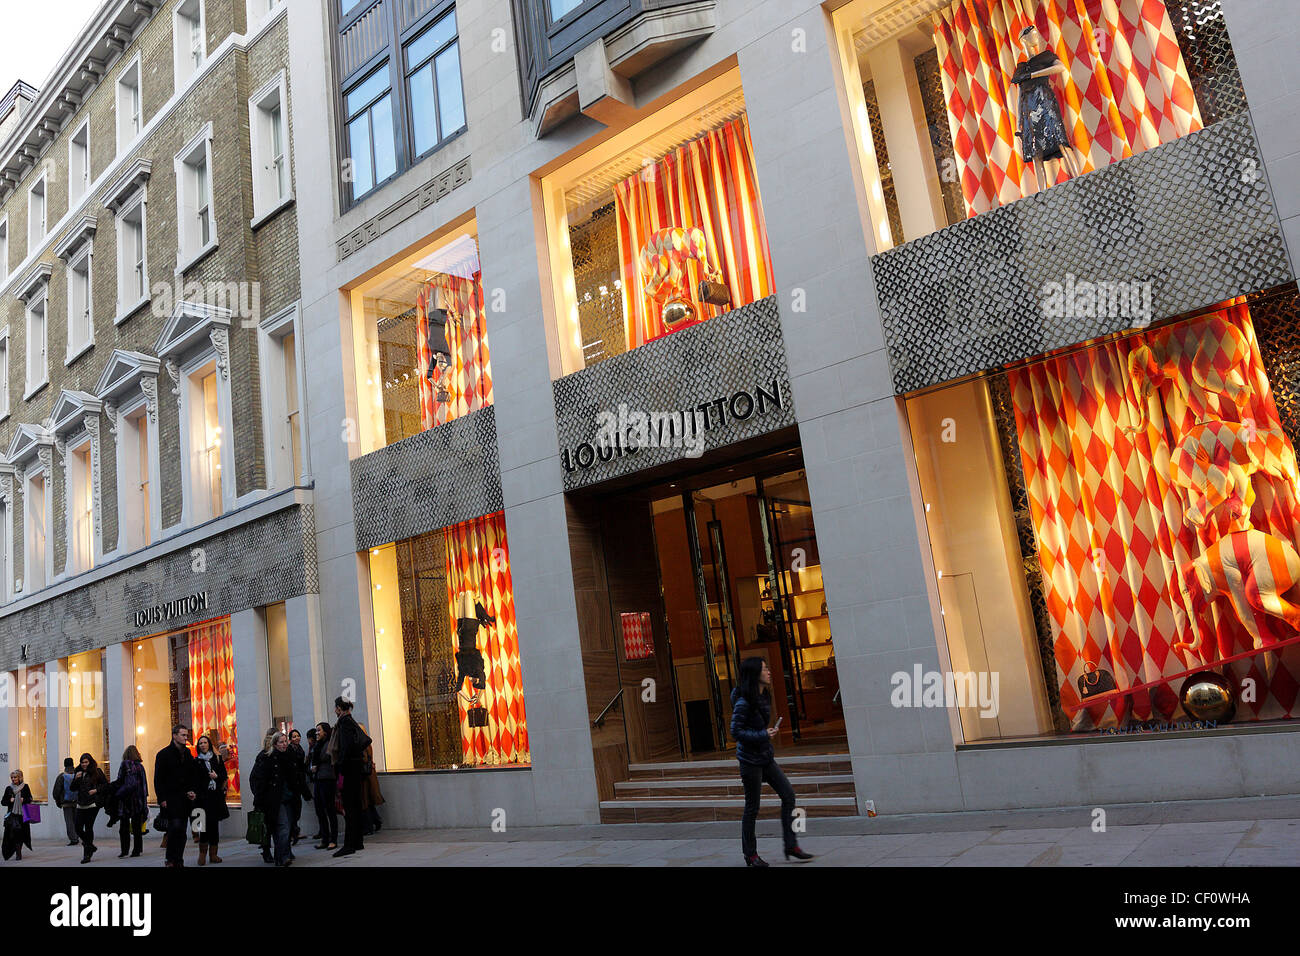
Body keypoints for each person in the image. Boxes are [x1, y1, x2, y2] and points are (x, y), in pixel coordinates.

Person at [731, 657, 813, 866]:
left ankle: (791, 845)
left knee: (788, 795)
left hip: (765, 757)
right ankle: (751, 855)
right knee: (752, 808)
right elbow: (736, 732)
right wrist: (762, 734)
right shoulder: (743, 702)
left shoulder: (763, 696)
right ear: (754, 674)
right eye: (765, 668)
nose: (769, 671)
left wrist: (765, 734)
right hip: (750, 760)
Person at [250, 731, 310, 867]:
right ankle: (282, 857)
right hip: (275, 800)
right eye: (281, 742)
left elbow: (297, 777)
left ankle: (281, 856)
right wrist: (258, 800)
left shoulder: (289, 756)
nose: (284, 744)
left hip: (290, 798)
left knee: (287, 828)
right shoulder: (267, 758)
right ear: (275, 744)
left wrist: (304, 793)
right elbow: (259, 780)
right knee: (283, 828)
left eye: (285, 741)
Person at [329, 697, 371, 857]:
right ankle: (357, 841)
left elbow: (345, 748)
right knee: (355, 806)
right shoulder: (350, 721)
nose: (334, 710)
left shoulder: (344, 723)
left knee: (350, 807)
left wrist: (340, 766)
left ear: (339, 708)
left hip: (348, 771)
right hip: (354, 769)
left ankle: (349, 845)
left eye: (335, 708)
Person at [154, 724, 200, 868]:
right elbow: (158, 779)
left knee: (182, 832)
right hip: (170, 799)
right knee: (174, 829)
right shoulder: (163, 754)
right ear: (174, 735)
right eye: (183, 735)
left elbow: (192, 775)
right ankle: (170, 859)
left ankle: (178, 860)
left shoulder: (187, 753)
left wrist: (192, 790)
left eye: (187, 735)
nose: (186, 738)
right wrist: (162, 799)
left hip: (185, 799)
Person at [193, 734, 230, 865]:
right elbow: (193, 780)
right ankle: (202, 854)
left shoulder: (217, 759)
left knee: (213, 826)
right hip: (202, 799)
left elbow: (224, 776)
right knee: (202, 826)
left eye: (205, 742)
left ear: (209, 744)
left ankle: (213, 854)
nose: (203, 745)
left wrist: (216, 777)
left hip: (215, 798)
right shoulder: (196, 761)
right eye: (200, 743)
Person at [69, 752, 109, 863]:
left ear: (90, 762)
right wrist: (75, 779)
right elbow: (72, 788)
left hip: (92, 804)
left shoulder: (97, 772)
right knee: (77, 828)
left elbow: (106, 785)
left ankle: (87, 855)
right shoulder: (78, 772)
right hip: (81, 804)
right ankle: (90, 846)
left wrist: (96, 790)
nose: (84, 764)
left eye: (86, 762)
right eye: (82, 762)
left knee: (88, 828)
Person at [112, 746, 149, 859]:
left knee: (124, 827)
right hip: (138, 801)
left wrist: (117, 793)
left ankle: (124, 851)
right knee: (137, 827)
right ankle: (137, 850)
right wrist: (144, 803)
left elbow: (120, 780)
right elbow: (144, 785)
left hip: (126, 800)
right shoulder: (140, 767)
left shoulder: (125, 764)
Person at [311, 722, 337, 850]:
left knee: (330, 810)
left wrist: (316, 765)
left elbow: (326, 757)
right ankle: (325, 838)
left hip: (327, 779)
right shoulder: (317, 745)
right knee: (319, 810)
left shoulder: (329, 743)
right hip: (318, 779)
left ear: (325, 732)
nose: (316, 733)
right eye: (316, 731)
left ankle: (333, 839)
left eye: (319, 730)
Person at [358, 721, 384, 835]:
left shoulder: (363, 744)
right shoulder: (366, 743)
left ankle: (369, 826)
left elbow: (364, 759)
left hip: (365, 775)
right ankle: (375, 821)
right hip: (368, 774)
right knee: (368, 801)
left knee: (365, 801)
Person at [1, 770, 33, 861]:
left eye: (15, 777)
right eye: (12, 777)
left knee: (22, 834)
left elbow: (30, 798)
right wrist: (9, 801)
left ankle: (18, 851)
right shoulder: (8, 788)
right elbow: (3, 802)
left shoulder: (25, 787)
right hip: (12, 816)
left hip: (23, 815)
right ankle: (17, 853)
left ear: (20, 777)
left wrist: (24, 800)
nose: (13, 779)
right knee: (14, 835)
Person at [287, 728, 309, 844]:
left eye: (298, 736)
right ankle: (293, 832)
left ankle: (295, 831)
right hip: (294, 783)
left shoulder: (300, 749)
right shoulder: (290, 749)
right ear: (290, 739)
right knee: (294, 808)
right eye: (294, 736)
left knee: (297, 808)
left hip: (300, 782)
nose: (297, 738)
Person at [53, 757, 79, 846]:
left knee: (69, 821)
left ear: (65, 765)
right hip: (77, 802)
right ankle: (77, 835)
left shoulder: (62, 776)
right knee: (76, 820)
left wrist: (57, 800)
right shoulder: (77, 774)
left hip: (66, 803)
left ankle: (73, 839)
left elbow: (56, 791)